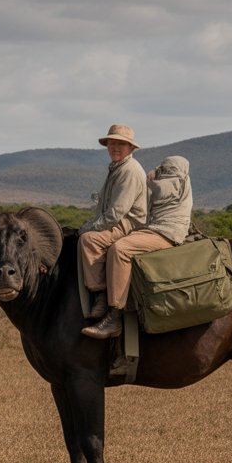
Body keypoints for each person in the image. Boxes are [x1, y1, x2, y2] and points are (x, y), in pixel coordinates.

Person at [83, 155, 192, 339]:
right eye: (162, 169)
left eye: (165, 169)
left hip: (167, 234)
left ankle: (114, 317)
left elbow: (161, 189)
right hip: (155, 229)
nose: (162, 171)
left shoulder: (177, 182)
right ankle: (101, 293)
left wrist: (149, 179)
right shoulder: (172, 180)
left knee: (121, 250)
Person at [78, 124, 148, 323]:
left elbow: (116, 213)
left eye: (121, 144)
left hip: (130, 224)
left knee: (89, 240)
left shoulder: (130, 171)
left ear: (131, 148)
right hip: (119, 221)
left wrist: (89, 229)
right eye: (112, 143)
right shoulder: (117, 168)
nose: (115, 147)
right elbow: (103, 209)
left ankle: (101, 294)